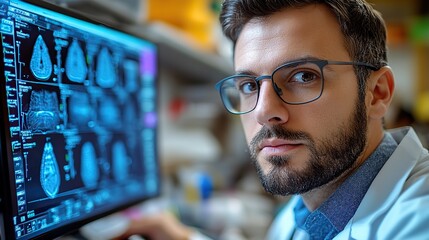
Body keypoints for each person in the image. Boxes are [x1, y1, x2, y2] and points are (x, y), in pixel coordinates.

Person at [116, 0, 429, 239]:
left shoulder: (418, 219)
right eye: (250, 86)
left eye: (303, 76)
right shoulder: (302, 210)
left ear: (377, 94)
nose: (265, 111)